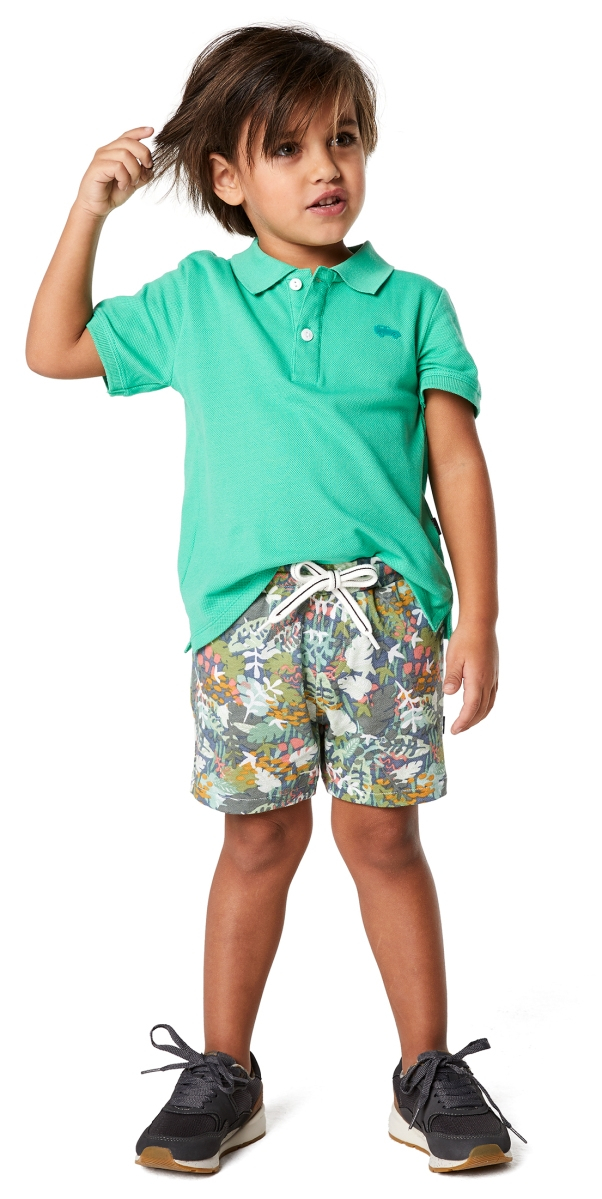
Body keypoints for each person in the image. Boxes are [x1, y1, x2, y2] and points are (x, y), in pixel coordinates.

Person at [26, 23, 524, 1176]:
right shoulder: (197, 299)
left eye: (342, 139)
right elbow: (52, 348)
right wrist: (89, 209)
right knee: (255, 839)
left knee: (382, 836)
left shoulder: (412, 304)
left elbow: (456, 466)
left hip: (381, 621)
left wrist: (478, 617)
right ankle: (225, 1071)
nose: (324, 167)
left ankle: (425, 1071)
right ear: (226, 178)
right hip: (243, 631)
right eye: (287, 147)